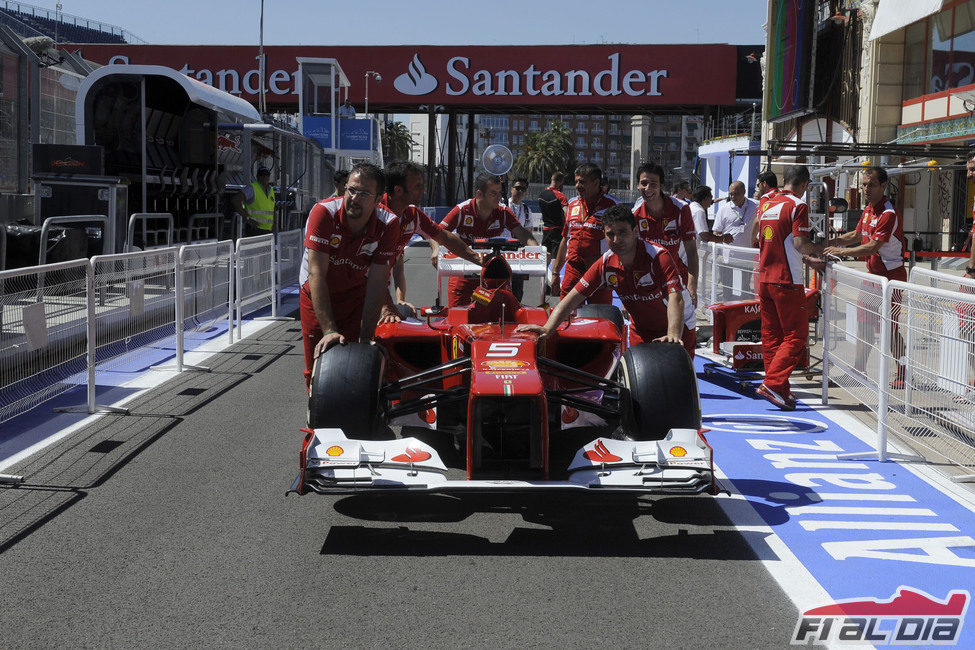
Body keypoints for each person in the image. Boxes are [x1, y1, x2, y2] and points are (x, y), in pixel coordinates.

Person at [516, 204, 688, 352]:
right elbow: (573, 297)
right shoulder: (606, 262)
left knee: (675, 385)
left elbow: (676, 298)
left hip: (679, 328)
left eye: (622, 232)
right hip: (641, 330)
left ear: (635, 231)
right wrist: (547, 328)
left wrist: (673, 334)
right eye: (610, 234)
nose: (616, 239)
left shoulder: (658, 256)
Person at [299, 163, 400, 388]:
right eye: (351, 189)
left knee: (356, 360)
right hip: (317, 294)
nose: (354, 198)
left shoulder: (389, 224)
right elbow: (316, 274)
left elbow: (377, 282)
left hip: (356, 295)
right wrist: (330, 330)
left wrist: (366, 337)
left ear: (378, 199)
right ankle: (317, 418)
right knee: (318, 364)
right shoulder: (323, 213)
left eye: (364, 194)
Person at [824, 166, 907, 388]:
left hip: (892, 277)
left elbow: (871, 247)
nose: (866, 189)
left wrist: (841, 252)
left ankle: (902, 370)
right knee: (865, 324)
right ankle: (859, 371)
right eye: (863, 184)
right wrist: (832, 243)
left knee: (890, 327)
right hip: (873, 276)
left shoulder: (888, 213)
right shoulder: (869, 208)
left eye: (871, 184)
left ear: (883, 186)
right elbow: (857, 235)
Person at [755, 165, 824, 410]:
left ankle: (780, 390)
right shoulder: (798, 206)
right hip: (787, 279)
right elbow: (800, 244)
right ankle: (773, 384)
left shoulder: (766, 205)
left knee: (772, 337)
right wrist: (820, 249)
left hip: (764, 277)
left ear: (784, 181)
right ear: (804, 185)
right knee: (796, 335)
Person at [380, 161, 481, 321]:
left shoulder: (413, 214)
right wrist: (387, 306)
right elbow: (370, 271)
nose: (423, 190)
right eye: (417, 186)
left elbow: (444, 237)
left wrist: (478, 259)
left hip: (376, 294)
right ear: (398, 190)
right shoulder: (375, 215)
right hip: (354, 291)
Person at [436, 173, 537, 306]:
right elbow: (437, 232)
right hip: (463, 270)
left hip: (491, 274)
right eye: (493, 194)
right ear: (479, 194)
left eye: (500, 193)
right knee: (458, 316)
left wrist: (537, 250)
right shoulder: (463, 210)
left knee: (490, 317)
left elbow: (523, 234)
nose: (499, 197)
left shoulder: (503, 212)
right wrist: (434, 250)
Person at [632, 161, 699, 355]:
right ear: (637, 185)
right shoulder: (635, 215)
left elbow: (692, 251)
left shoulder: (680, 209)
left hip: (678, 282)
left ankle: (686, 378)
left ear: (662, 186)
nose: (648, 188)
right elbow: (634, 257)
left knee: (684, 338)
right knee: (646, 339)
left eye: (653, 184)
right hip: (648, 286)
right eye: (643, 183)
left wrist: (693, 285)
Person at [550, 163, 618, 303]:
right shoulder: (572, 204)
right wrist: (556, 273)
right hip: (573, 271)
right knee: (568, 317)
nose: (577, 186)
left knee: (599, 318)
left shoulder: (612, 206)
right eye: (576, 181)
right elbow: (565, 240)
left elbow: (623, 243)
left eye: (582, 182)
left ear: (596, 183)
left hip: (599, 273)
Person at [504, 176, 532, 301]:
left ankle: (515, 313)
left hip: (518, 254)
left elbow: (529, 233)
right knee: (500, 285)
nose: (520, 191)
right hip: (503, 251)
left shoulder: (527, 210)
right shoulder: (503, 205)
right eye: (517, 188)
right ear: (511, 189)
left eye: (523, 189)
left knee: (517, 289)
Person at [712, 180, 759, 247]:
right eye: (730, 194)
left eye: (736, 194)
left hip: (749, 253)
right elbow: (716, 232)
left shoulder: (756, 205)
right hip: (729, 254)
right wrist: (723, 238)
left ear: (744, 192)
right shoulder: (723, 209)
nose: (733, 197)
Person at [232, 166, 275, 236]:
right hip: (254, 230)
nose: (265, 177)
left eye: (267, 175)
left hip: (268, 230)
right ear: (257, 176)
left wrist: (274, 223)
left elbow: (272, 209)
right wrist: (248, 219)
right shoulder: (252, 188)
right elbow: (236, 200)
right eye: (262, 175)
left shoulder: (271, 190)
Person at [538, 172, 568, 262]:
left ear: (551, 179)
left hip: (546, 229)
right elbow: (567, 213)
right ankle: (554, 275)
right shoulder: (560, 196)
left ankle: (544, 275)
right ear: (560, 182)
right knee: (556, 256)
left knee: (546, 255)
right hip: (557, 229)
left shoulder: (541, 195)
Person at [749, 170, 780, 246]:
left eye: (758, 185)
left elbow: (758, 220)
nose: (758, 188)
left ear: (764, 184)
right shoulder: (783, 195)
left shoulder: (766, 197)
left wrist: (753, 239)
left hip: (768, 239)